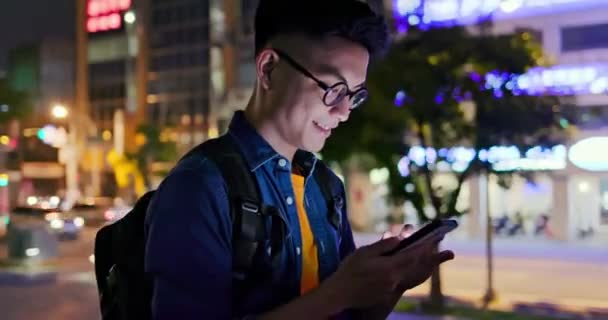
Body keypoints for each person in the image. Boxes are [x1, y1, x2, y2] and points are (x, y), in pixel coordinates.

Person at [144, 1, 455, 319]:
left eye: (355, 95)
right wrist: (338, 292)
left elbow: (347, 315)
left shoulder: (326, 186)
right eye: (334, 89)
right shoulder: (200, 186)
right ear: (269, 69)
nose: (344, 112)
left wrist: (391, 284)